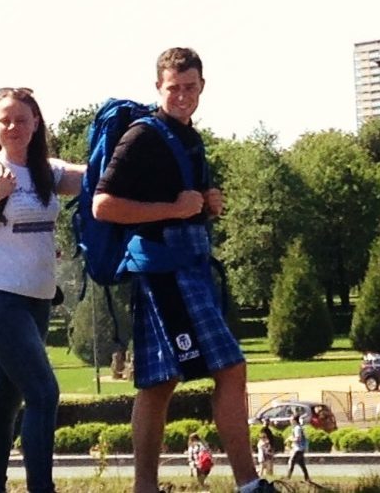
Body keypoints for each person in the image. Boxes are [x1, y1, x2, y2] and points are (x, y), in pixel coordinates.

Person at [91, 47, 275, 493]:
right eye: (174, 88)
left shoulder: (190, 137)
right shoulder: (141, 137)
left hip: (185, 267)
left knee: (160, 383)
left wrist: (205, 204)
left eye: (190, 87)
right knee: (229, 368)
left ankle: (145, 488)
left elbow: (179, 201)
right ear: (159, 88)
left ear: (202, 87)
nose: (182, 95)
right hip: (165, 273)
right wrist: (173, 208)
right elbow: (102, 205)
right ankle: (248, 483)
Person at [0, 87, 85, 493]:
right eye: (5, 119)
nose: (13, 127)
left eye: (22, 119)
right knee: (43, 392)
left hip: (38, 298)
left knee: (4, 401)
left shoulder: (47, 170)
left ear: (37, 123)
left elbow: (97, 174)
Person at [284, 413, 312, 482]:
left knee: (291, 462)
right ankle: (307, 478)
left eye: (291, 419)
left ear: (294, 420)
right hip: (300, 449)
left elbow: (298, 439)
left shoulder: (297, 428)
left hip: (298, 449)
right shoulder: (297, 427)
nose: (290, 421)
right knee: (301, 464)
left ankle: (288, 478)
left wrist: (290, 439)